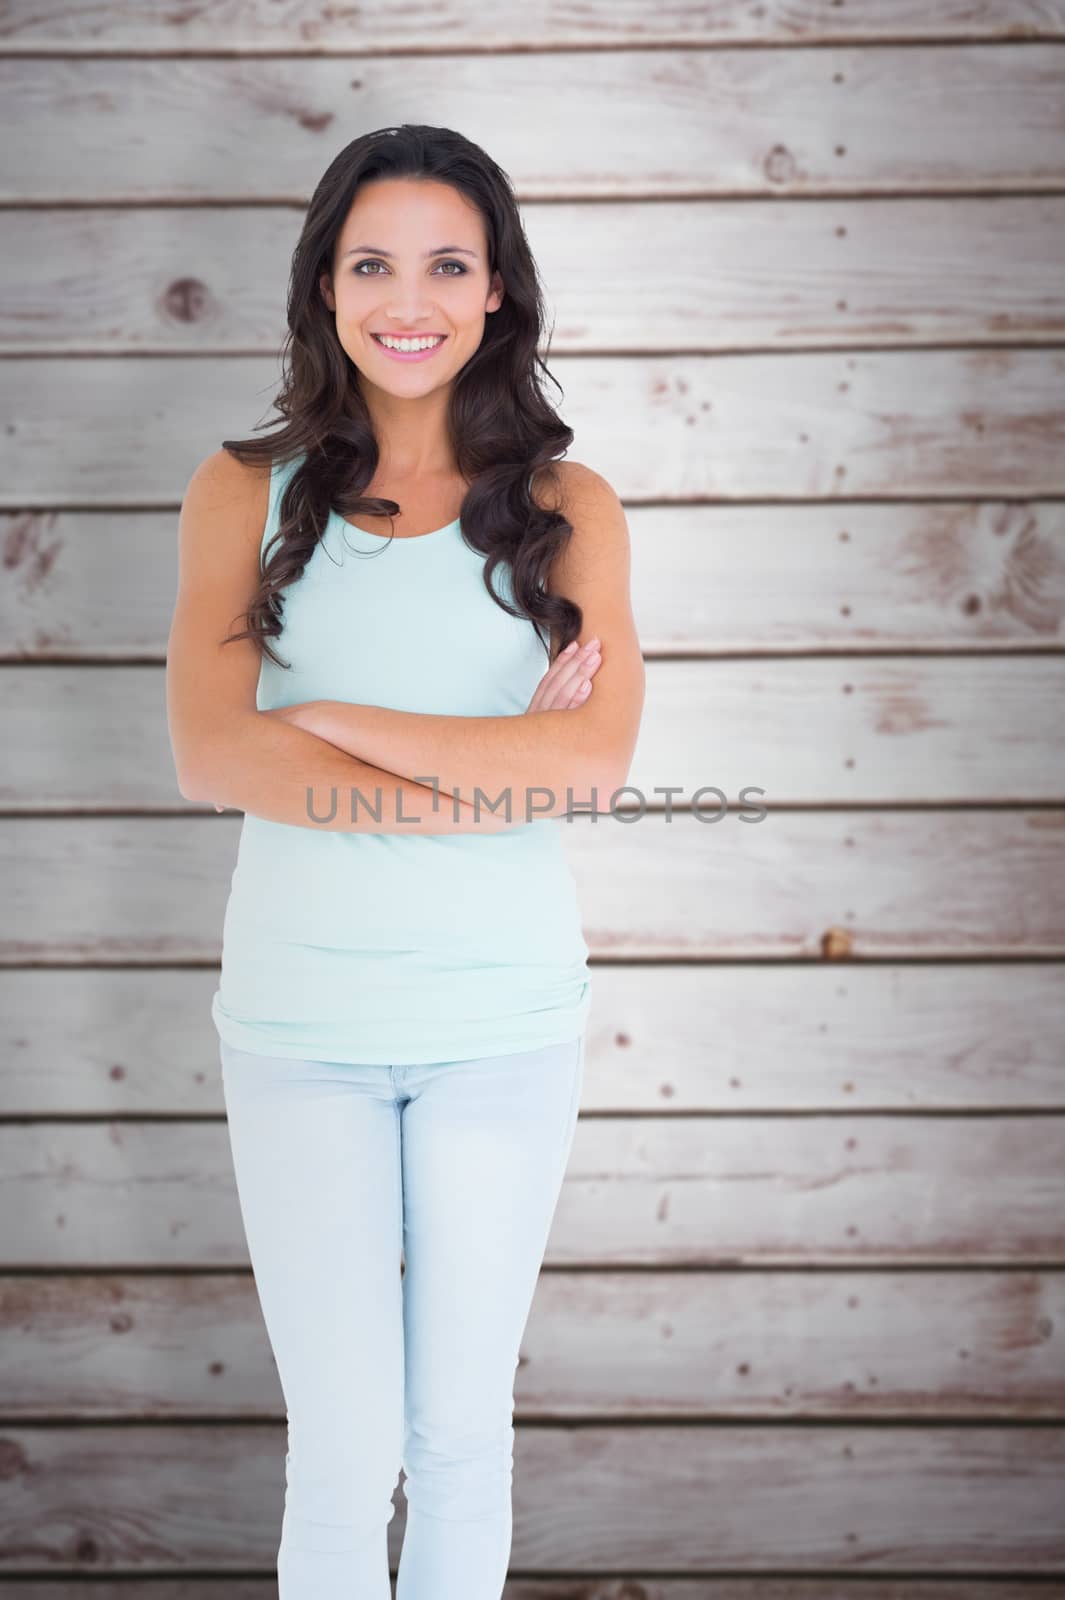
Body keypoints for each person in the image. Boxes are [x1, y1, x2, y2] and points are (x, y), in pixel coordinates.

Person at [165, 123, 645, 1599]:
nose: (408, 298)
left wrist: (321, 718)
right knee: (341, 1446)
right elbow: (210, 758)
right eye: (371, 263)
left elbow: (588, 767)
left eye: (446, 263)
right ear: (324, 287)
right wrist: (480, 777)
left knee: (454, 1444)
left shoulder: (568, 511)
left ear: (496, 289)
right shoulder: (240, 492)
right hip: (298, 1030)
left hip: (499, 1030)